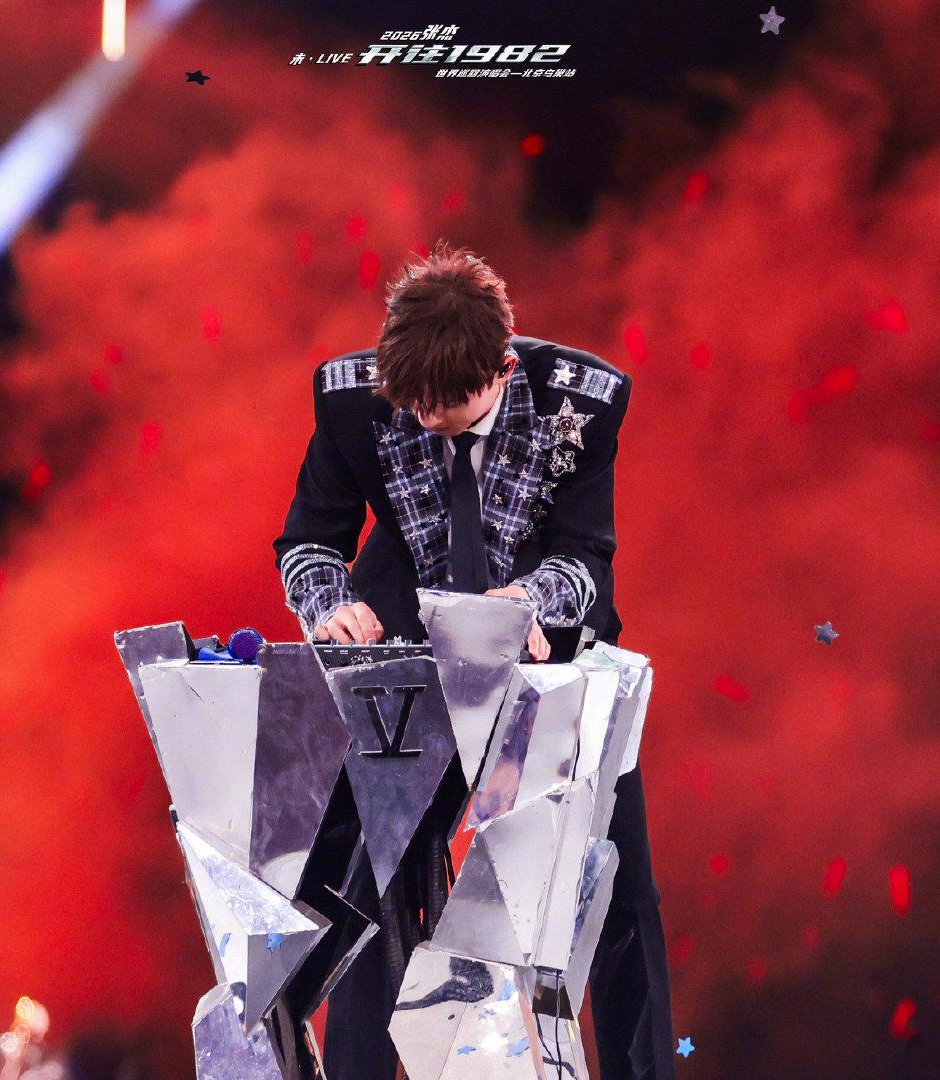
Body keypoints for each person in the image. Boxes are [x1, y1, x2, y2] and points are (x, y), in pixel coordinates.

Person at [272, 242, 674, 1079]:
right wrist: (327, 602)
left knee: (616, 887)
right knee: (374, 892)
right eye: (411, 402)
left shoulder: (584, 401)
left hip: (545, 671)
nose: (425, 419)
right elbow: (309, 539)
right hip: (410, 666)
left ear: (500, 369)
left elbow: (586, 554)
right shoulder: (350, 400)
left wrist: (528, 602)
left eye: (444, 404)